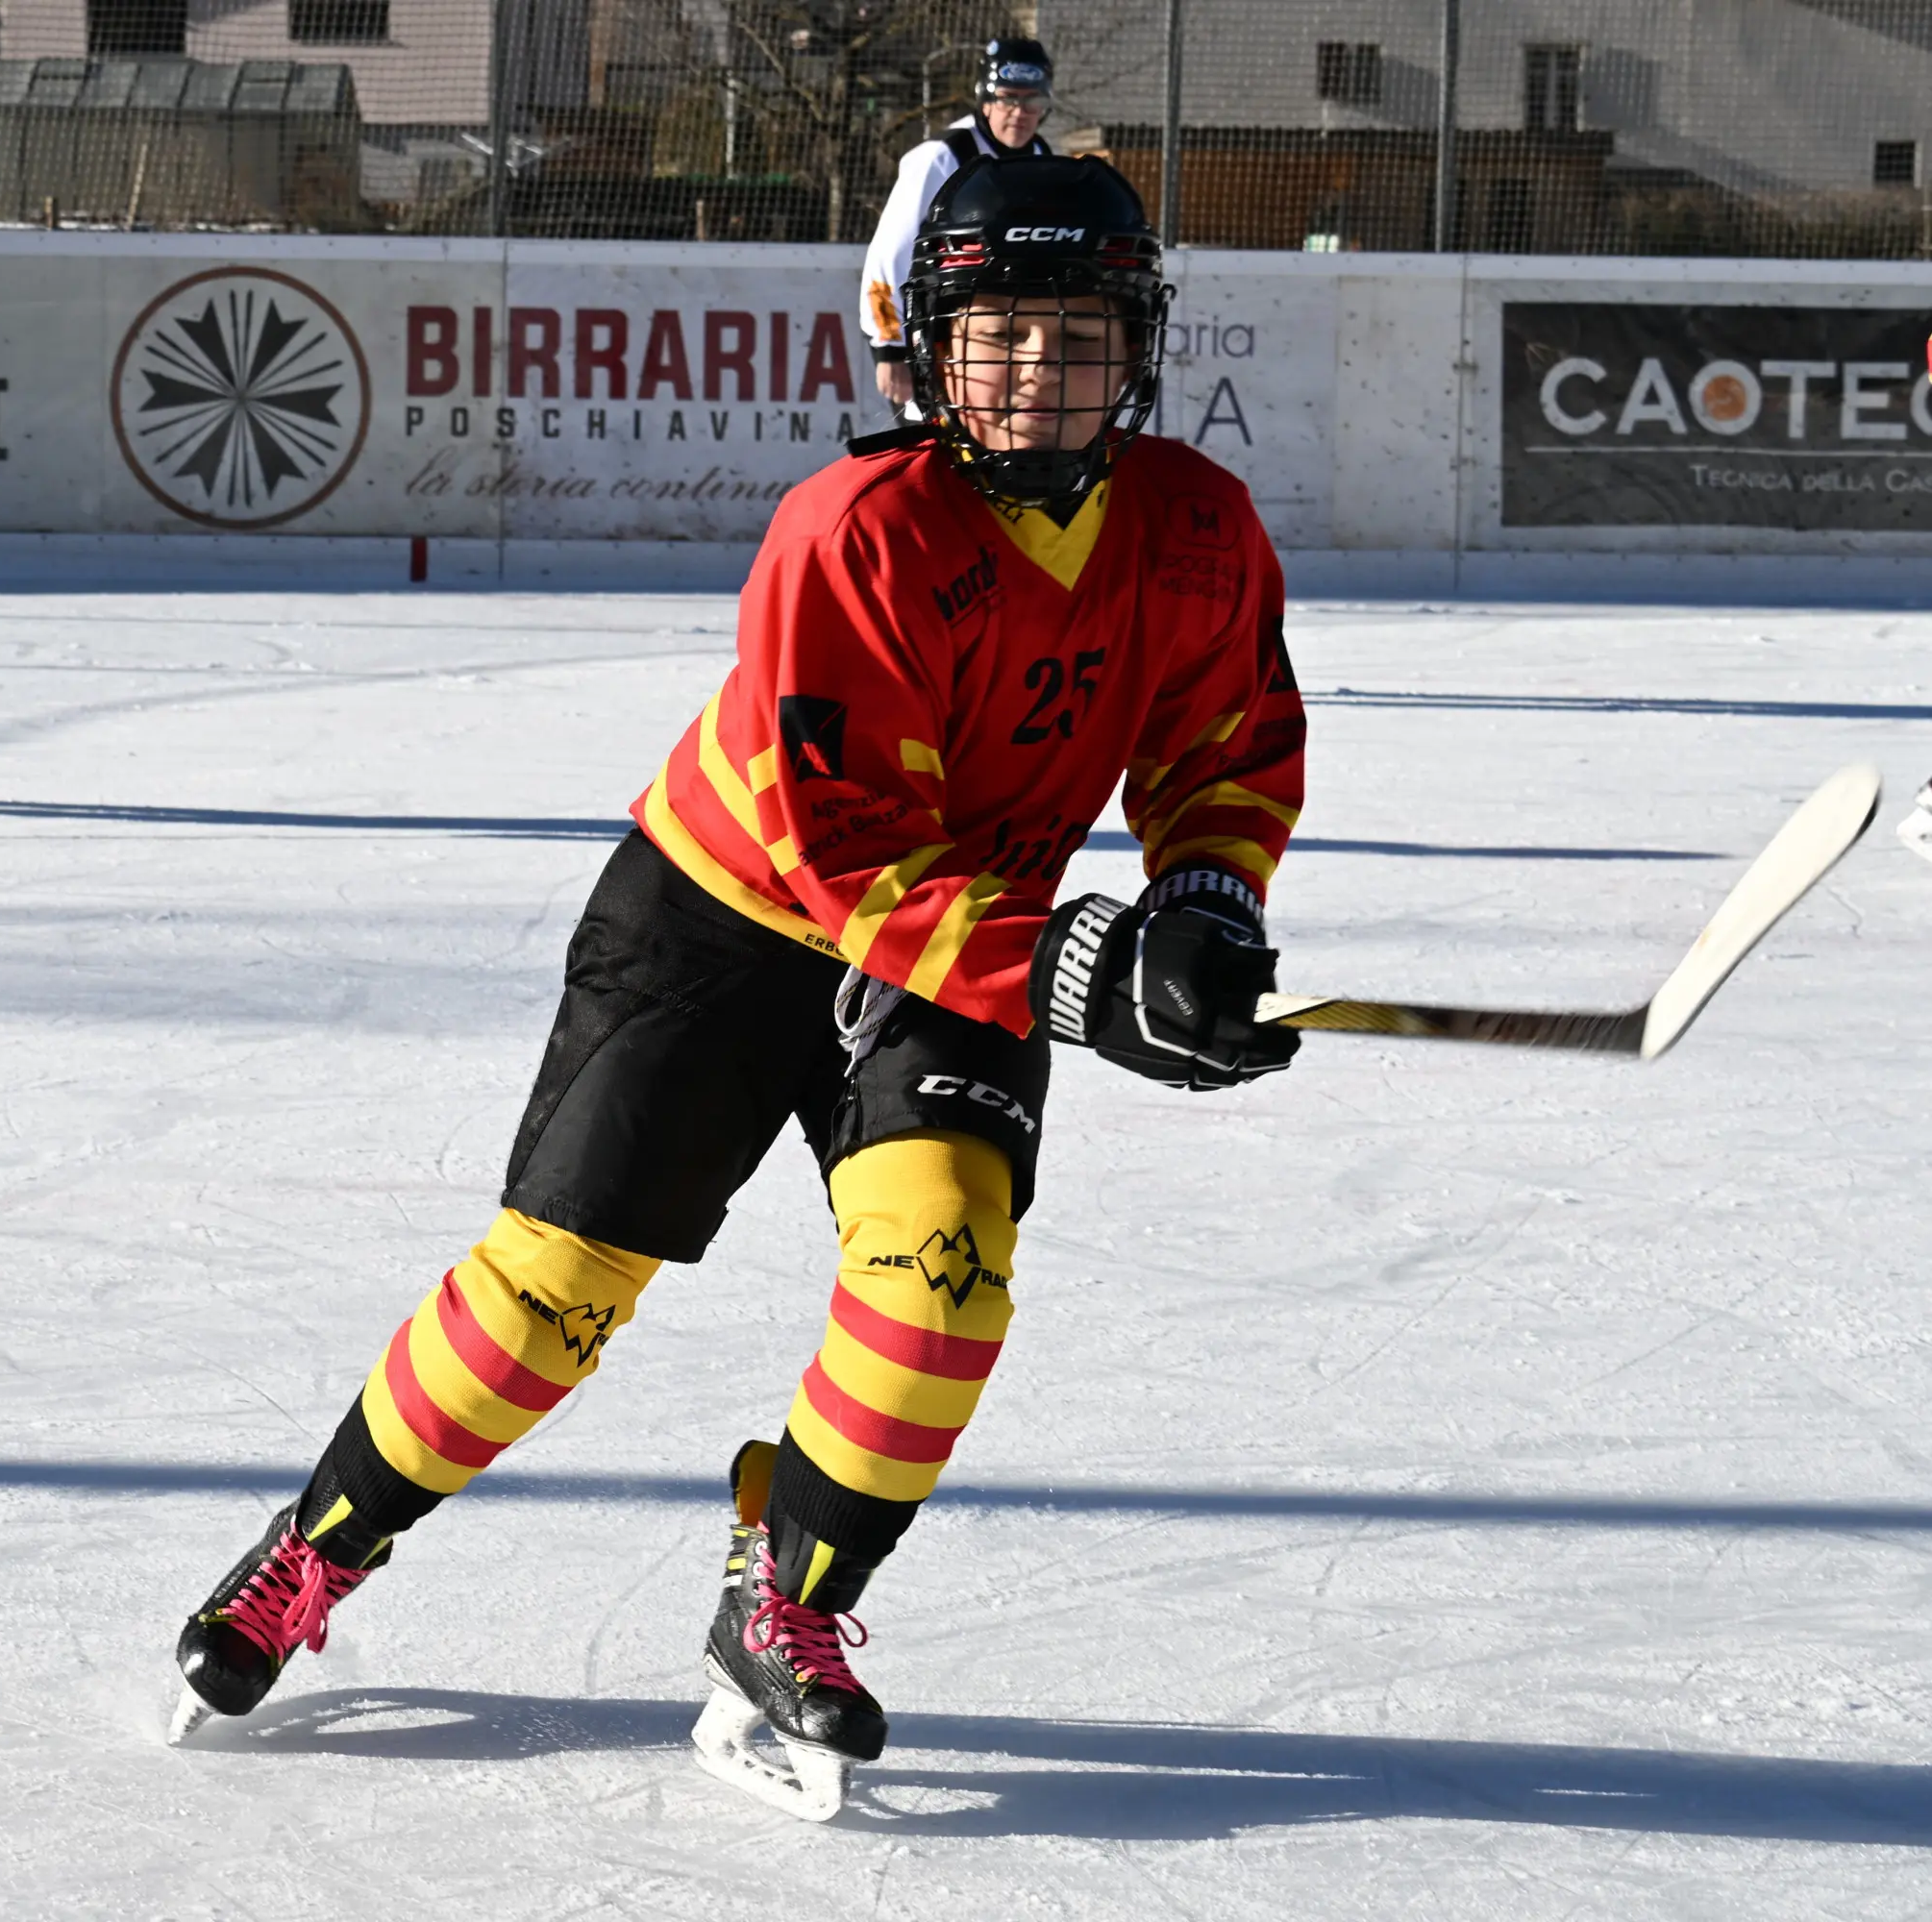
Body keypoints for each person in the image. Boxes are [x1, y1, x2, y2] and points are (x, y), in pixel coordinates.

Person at [166, 157, 1307, 1822]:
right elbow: (842, 853)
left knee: (944, 1280)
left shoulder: (1198, 529)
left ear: (1136, 345)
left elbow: (1227, 747)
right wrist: (1079, 966)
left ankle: (788, 1598)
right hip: (727, 920)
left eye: (1075, 335)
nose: (1036, 375)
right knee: (553, 1291)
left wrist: (1205, 906)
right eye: (997, 337)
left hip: (958, 941)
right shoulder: (855, 531)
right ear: (931, 347)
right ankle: (316, 1546)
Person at [861, 36, 1058, 415]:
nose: (1019, 112)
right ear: (986, 98)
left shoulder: (1041, 157)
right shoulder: (942, 157)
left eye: (1032, 100)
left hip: (1010, 340)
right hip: (940, 339)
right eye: (1007, 98)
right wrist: (890, 347)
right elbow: (890, 254)